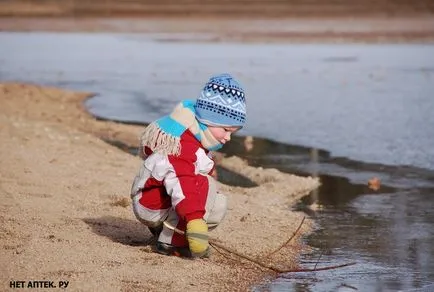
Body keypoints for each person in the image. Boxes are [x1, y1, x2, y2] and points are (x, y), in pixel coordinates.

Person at [130, 73, 246, 258]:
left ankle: (165, 230)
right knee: (203, 185)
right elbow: (183, 182)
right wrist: (195, 222)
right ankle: (171, 243)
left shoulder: (193, 129)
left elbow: (196, 161)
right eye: (226, 130)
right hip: (151, 203)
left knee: (216, 202)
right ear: (209, 120)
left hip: (156, 197)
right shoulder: (182, 144)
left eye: (233, 132)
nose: (228, 137)